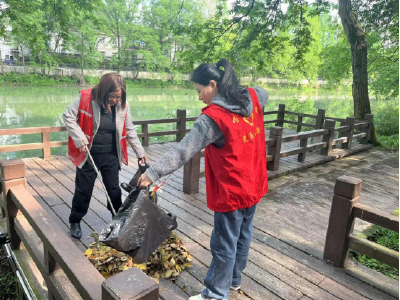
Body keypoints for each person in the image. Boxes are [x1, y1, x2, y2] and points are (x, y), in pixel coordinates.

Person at [138, 59, 269, 300]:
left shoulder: (213, 118)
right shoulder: (252, 96)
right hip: (254, 184)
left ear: (212, 84)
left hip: (232, 190)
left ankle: (216, 293)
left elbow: (182, 151)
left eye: (200, 91)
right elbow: (264, 92)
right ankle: (233, 280)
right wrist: (241, 93)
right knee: (243, 235)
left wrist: (152, 173)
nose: (199, 97)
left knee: (223, 243)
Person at [63, 73, 146, 239]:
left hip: (111, 155)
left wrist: (140, 153)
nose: (116, 100)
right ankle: (75, 220)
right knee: (83, 190)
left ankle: (118, 219)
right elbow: (68, 116)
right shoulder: (85, 98)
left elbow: (129, 130)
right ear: (103, 91)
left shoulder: (123, 105)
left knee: (114, 190)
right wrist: (79, 139)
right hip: (89, 155)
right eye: (113, 96)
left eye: (119, 97)